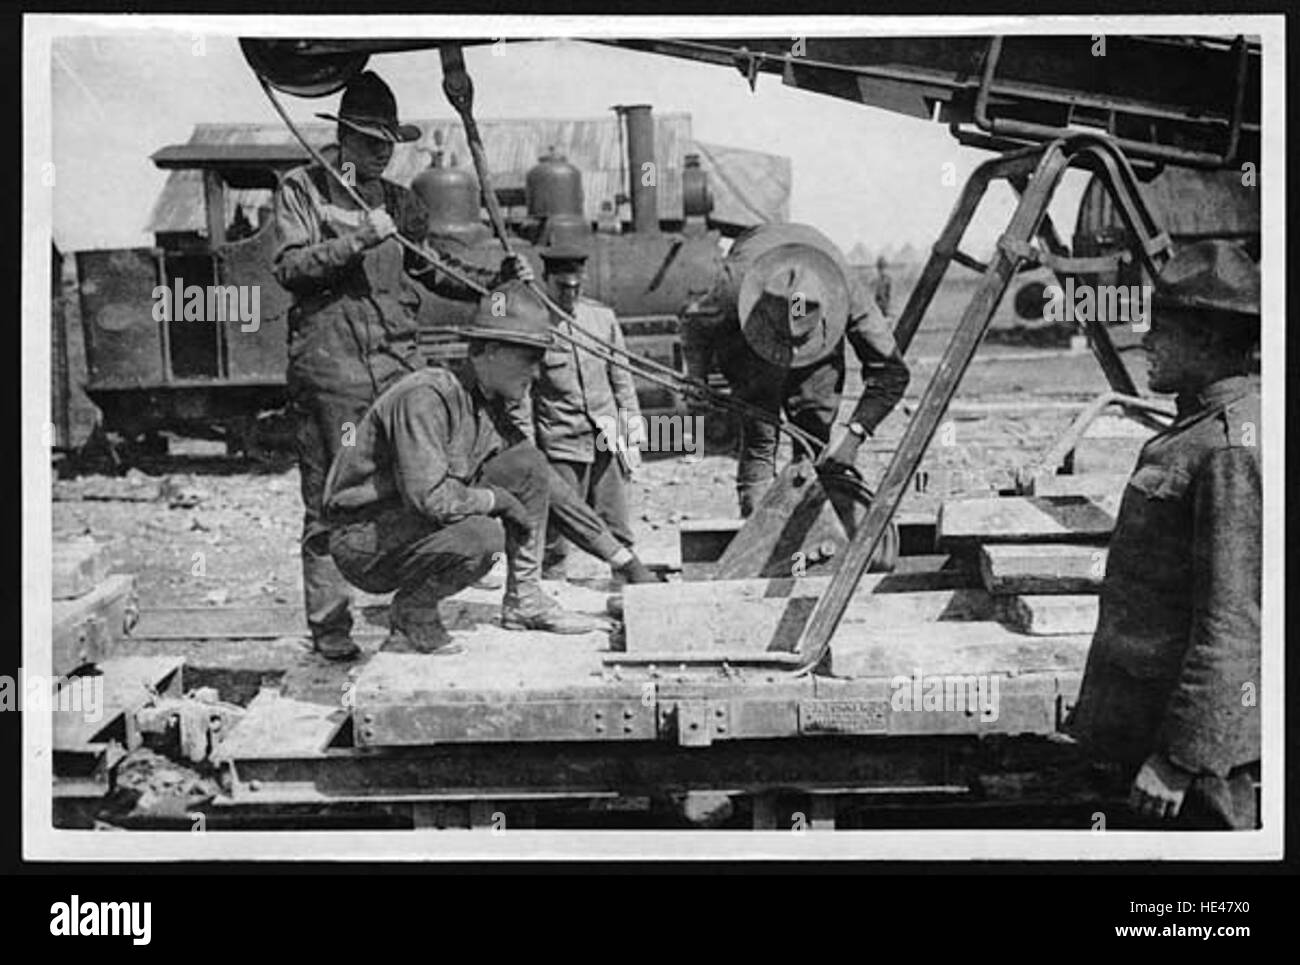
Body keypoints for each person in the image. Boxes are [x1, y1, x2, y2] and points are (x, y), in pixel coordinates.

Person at [272, 70, 530, 661]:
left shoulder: (402, 202)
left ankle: (411, 611)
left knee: (420, 492)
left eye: (387, 141)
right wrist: (356, 240)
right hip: (330, 377)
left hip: (396, 375)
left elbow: (432, 269)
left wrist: (493, 282)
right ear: (341, 137)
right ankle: (331, 630)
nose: (380, 151)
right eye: (367, 140)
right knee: (329, 506)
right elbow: (289, 269)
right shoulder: (302, 189)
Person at [322, 281, 661, 654]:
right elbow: (430, 499)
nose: (536, 375)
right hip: (364, 540)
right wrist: (495, 498)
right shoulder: (427, 397)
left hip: (407, 528)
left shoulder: (487, 405)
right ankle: (413, 612)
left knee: (528, 465)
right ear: (492, 351)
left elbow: (549, 487)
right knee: (482, 538)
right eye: (529, 359)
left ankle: (525, 600)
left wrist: (626, 562)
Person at [1065, 240, 1261, 829]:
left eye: (1161, 330)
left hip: (1192, 771)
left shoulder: (1229, 447)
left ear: (1208, 340)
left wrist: (1183, 758)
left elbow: (1234, 621)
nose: (1145, 340)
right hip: (1145, 736)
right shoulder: (1192, 431)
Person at [680, 223, 910, 516]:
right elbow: (694, 323)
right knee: (759, 440)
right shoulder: (734, 285)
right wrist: (696, 376)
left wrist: (854, 434)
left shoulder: (846, 289)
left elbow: (893, 372)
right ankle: (757, 538)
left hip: (818, 355)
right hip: (752, 342)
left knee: (814, 432)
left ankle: (813, 529)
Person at [513, 240, 640, 582]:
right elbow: (524, 395)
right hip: (561, 441)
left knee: (617, 520)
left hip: (605, 436)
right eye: (562, 286)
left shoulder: (601, 318)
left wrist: (632, 431)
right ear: (546, 280)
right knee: (557, 528)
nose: (570, 292)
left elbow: (622, 377)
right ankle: (553, 587)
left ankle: (627, 581)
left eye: (576, 285)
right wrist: (528, 446)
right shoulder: (536, 325)